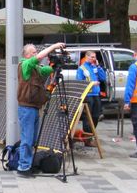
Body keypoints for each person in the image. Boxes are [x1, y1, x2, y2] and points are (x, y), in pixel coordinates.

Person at [17, 42, 66, 177]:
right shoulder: (25, 65)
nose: (35, 54)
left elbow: (46, 70)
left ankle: (27, 163)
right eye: (33, 52)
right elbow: (38, 58)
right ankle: (23, 167)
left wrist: (55, 66)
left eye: (35, 52)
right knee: (27, 139)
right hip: (26, 108)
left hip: (34, 107)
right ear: (27, 55)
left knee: (31, 139)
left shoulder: (36, 68)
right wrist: (54, 46)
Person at [76, 51, 107, 144]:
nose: (94, 59)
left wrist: (98, 66)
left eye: (95, 57)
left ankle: (91, 134)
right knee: (87, 118)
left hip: (96, 95)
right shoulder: (82, 68)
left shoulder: (95, 67)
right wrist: (92, 84)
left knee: (96, 116)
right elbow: (79, 82)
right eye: (92, 57)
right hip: (88, 95)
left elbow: (103, 78)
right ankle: (87, 139)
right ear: (87, 57)